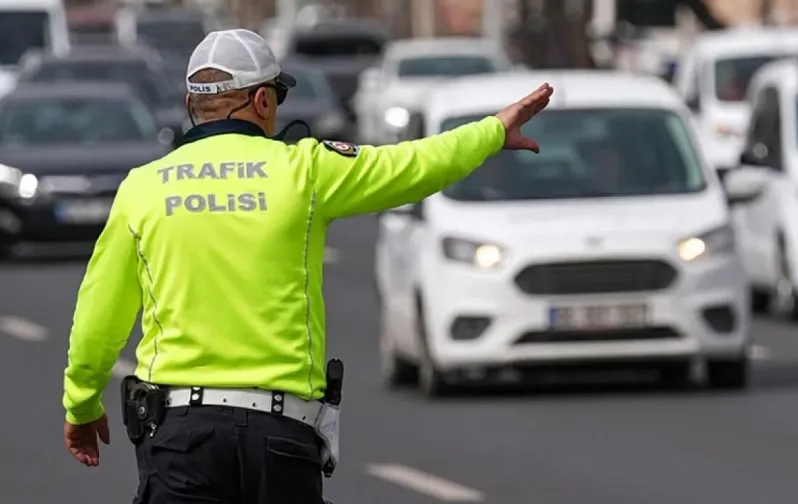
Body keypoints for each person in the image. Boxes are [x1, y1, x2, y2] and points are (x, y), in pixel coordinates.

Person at [61, 28, 553, 504]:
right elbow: (413, 166)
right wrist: (492, 132)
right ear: (261, 103)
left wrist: (82, 405)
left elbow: (98, 317)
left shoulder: (143, 188)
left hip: (182, 440)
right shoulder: (306, 169)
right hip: (281, 438)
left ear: (193, 106)